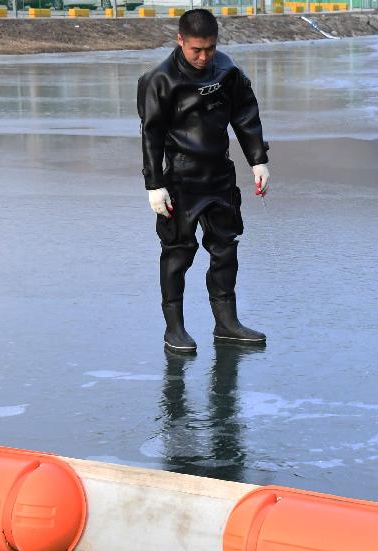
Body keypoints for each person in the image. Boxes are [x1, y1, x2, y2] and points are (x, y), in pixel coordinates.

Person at [137, 9, 270, 355]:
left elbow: (245, 113)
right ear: (180, 40)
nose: (203, 56)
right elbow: (151, 134)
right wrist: (154, 184)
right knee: (178, 252)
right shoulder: (159, 80)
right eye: (196, 49)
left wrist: (258, 159)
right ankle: (175, 328)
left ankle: (227, 323)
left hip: (220, 177)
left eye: (209, 48)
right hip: (180, 180)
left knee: (225, 248)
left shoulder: (226, 70)